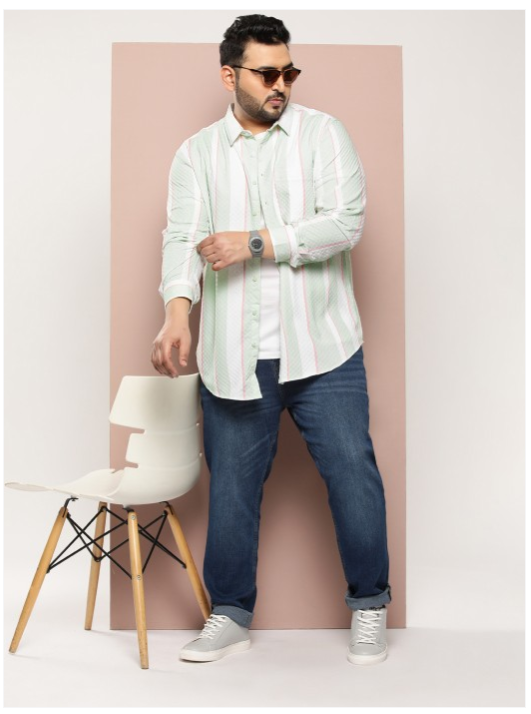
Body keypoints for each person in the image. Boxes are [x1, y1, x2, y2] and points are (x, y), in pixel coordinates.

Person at [151, 14, 392, 666]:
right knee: (231, 489)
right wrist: (176, 315)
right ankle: (229, 615)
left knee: (352, 476)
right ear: (229, 76)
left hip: (324, 346)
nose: (280, 83)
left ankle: (369, 605)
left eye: (289, 71)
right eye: (266, 73)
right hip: (234, 352)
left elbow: (344, 224)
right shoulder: (196, 154)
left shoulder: (323, 134)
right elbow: (182, 240)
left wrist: (255, 242)